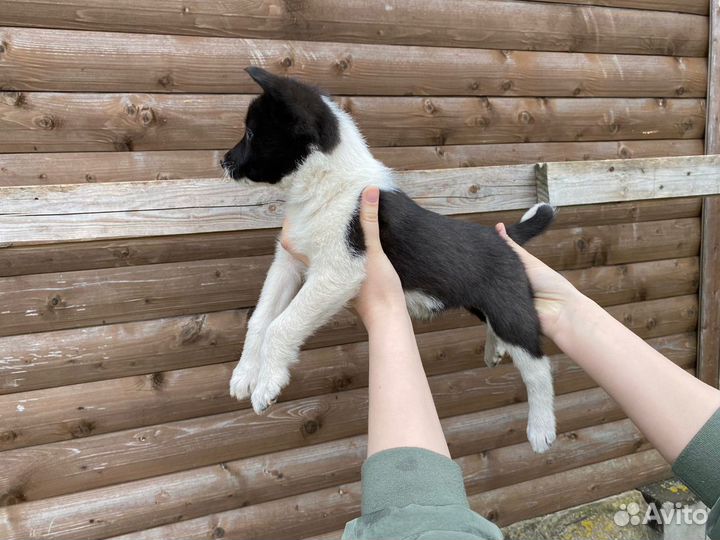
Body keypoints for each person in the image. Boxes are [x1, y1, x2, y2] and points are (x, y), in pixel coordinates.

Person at [281, 186, 720, 540]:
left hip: (473, 270)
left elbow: (417, 530)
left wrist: (384, 310)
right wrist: (569, 310)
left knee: (517, 338)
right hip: (476, 264)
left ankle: (540, 397)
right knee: (503, 318)